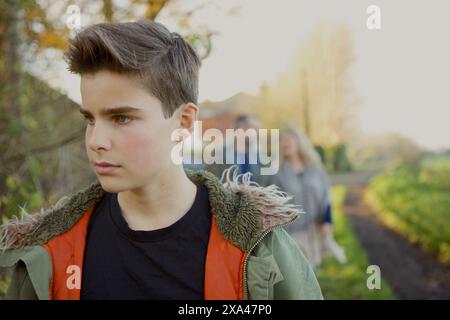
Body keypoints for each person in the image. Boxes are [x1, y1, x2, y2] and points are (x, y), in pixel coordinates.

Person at [0, 21, 322, 300]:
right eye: (90, 119)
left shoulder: (259, 250)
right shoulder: (46, 254)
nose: (96, 141)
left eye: (121, 118)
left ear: (183, 122)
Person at [267, 127, 346, 269]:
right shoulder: (276, 172)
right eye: (282, 141)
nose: (285, 143)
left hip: (314, 231)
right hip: (290, 234)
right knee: (295, 276)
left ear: (299, 142)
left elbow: (326, 196)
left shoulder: (315, 167)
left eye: (288, 139)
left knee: (312, 272)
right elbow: (271, 203)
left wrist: (327, 220)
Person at [206, 114, 265, 184]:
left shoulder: (258, 157)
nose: (257, 133)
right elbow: (211, 183)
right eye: (254, 129)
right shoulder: (219, 154)